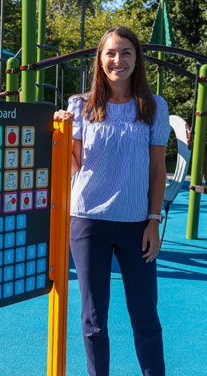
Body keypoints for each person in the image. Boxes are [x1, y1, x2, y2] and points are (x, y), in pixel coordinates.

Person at [54, 26, 170, 376]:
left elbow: (156, 169)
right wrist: (60, 132)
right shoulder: (81, 106)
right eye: (110, 53)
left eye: (126, 53)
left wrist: (153, 221)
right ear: (100, 60)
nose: (118, 60)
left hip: (136, 223)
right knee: (93, 319)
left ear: (137, 58)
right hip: (87, 222)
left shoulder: (152, 106)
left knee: (146, 317)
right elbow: (74, 166)